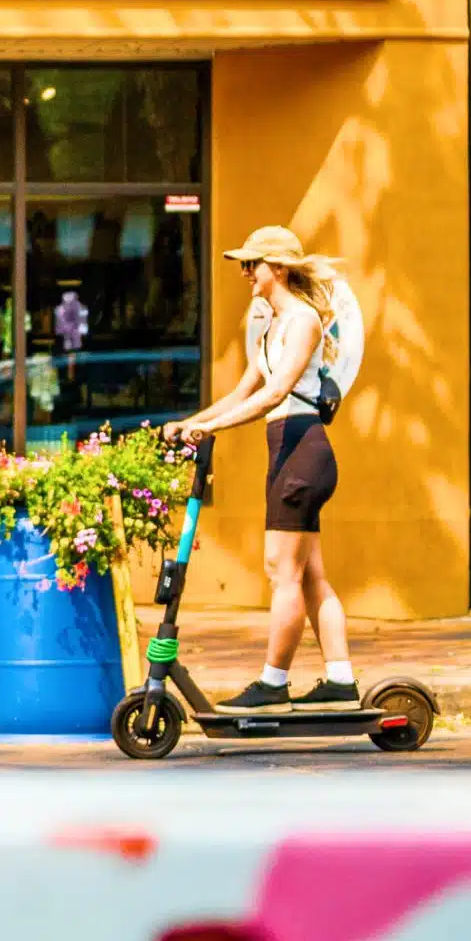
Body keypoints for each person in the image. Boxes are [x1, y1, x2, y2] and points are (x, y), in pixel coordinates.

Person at [170, 225, 356, 712]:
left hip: (302, 449)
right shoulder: (273, 325)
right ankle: (341, 681)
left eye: (253, 264)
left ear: (278, 268)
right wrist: (192, 422)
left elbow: (275, 395)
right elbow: (243, 392)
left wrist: (215, 431)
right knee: (310, 573)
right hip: (286, 449)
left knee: (283, 571)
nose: (246, 273)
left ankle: (273, 685)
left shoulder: (303, 322)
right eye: (243, 265)